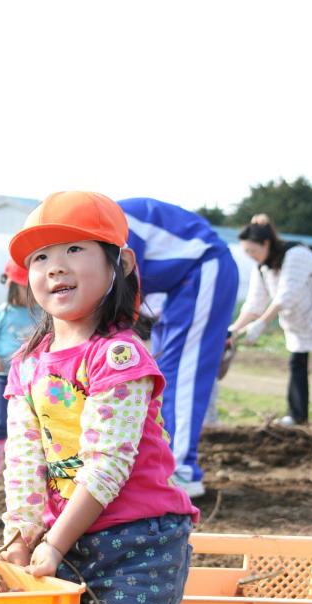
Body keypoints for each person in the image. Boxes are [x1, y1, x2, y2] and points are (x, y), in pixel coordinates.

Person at [0, 191, 198, 604]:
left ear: (118, 266)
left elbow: (107, 467)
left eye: (74, 250)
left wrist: (53, 543)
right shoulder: (28, 364)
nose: (54, 266)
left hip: (141, 547)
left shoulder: (119, 356)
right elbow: (23, 463)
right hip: (70, 546)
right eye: (40, 257)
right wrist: (19, 538)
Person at [117, 198, 240, 498]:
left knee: (181, 372)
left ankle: (181, 471)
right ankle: (160, 464)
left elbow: (119, 292)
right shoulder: (92, 235)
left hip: (204, 266)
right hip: (174, 284)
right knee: (159, 376)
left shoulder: (109, 227)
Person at [229, 214, 312, 426]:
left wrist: (262, 323)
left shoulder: (296, 254)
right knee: (297, 363)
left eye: (253, 250)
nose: (251, 256)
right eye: (246, 252)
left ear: (266, 243)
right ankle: (297, 414)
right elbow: (254, 303)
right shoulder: (262, 267)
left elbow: (287, 295)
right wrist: (234, 329)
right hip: (299, 321)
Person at [0, 260, 36, 478]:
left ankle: (22, 460)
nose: (31, 293)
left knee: (29, 422)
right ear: (11, 286)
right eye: (26, 287)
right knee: (1, 419)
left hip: (31, 380)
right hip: (2, 376)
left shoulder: (41, 313)